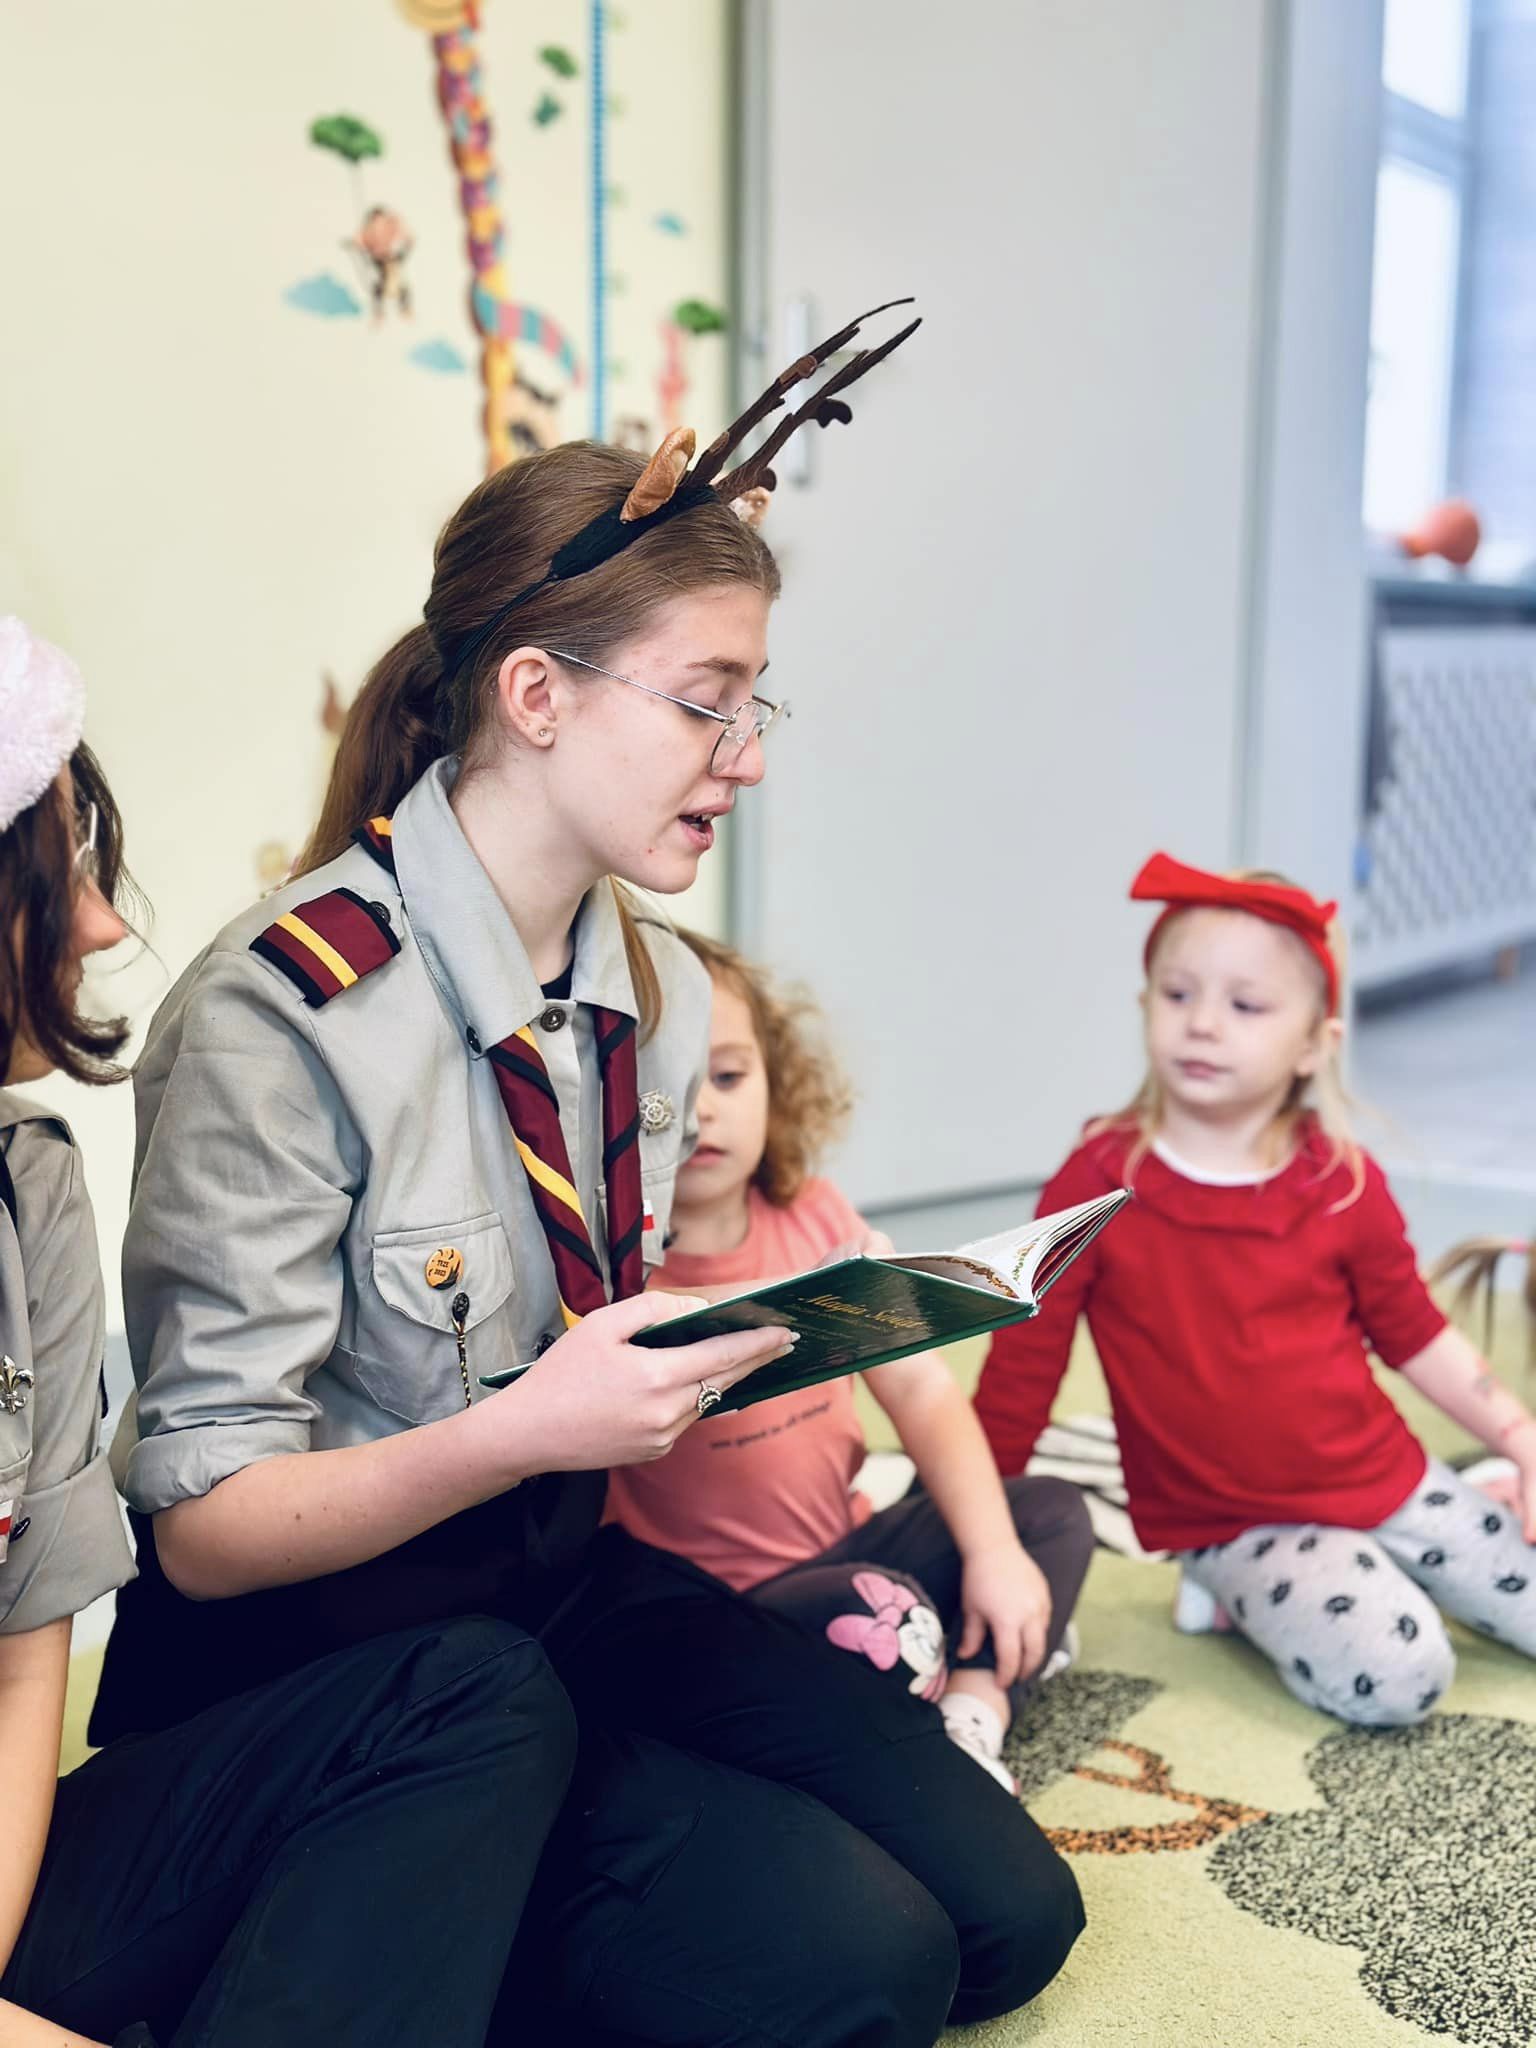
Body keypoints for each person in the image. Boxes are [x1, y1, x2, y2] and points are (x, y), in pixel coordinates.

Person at [95, 306, 1086, 2046]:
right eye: (706, 703)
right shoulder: (283, 1013)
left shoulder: (662, 990)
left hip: (556, 1583)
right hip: (340, 1668)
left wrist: (780, 1335)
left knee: (1012, 1914)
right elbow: (206, 1532)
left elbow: (591, 1331)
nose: (747, 756)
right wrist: (522, 1429)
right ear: (536, 695)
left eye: (754, 703)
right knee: (858, 1968)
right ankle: (363, 1899)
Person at [0, 617, 576, 2048]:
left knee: (476, 1696)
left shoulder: (30, 1183)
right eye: (59, 878)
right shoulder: (282, 1005)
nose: (104, 927)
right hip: (257, 1629)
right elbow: (211, 1500)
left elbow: (23, 1662)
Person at [975, 851, 1536, 1728]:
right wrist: (970, 1526)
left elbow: (1415, 1334)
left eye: (1245, 1006)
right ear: (1145, 1006)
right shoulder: (1096, 1183)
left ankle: (1419, 1530)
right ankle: (1235, 1589)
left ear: (1313, 1045)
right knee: (1404, 1677)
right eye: (1178, 994)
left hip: (1381, 1475)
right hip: (1235, 1521)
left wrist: (1520, 1435)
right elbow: (1023, 1365)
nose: (1202, 1024)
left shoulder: (1344, 1182)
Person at [606, 930, 1093, 1792]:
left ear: (776, 1080)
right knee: (874, 1609)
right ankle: (962, 1648)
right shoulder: (614, 1271)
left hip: (851, 1544)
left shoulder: (819, 1217)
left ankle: (973, 1707)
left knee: (1050, 1516)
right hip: (727, 1612)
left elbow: (924, 1393)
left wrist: (991, 1552)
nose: (702, 1109)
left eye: (728, 1076)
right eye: (663, 1087)